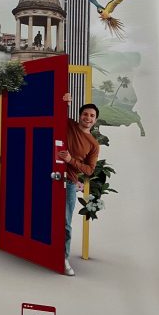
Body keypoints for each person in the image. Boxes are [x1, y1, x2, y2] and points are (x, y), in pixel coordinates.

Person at [58, 101, 100, 276]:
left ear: (95, 120)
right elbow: (57, 112)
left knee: (65, 223)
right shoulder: (69, 124)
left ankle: (63, 258)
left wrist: (70, 160)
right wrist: (65, 100)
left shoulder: (94, 144)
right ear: (80, 116)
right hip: (52, 176)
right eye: (85, 114)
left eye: (92, 116)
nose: (88, 118)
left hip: (69, 182)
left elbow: (89, 170)